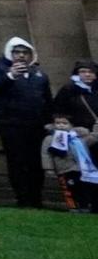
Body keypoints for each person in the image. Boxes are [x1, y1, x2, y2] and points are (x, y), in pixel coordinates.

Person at [0, 37, 53, 209]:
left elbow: (47, 99)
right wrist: (11, 75)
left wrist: (49, 121)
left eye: (25, 52)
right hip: (11, 124)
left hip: (36, 125)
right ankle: (23, 198)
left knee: (35, 163)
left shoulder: (39, 74)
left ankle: (36, 198)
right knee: (17, 162)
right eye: (17, 52)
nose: (21, 56)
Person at [51, 61, 98, 212]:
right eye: (83, 71)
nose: (87, 74)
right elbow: (58, 113)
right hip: (81, 138)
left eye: (90, 71)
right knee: (87, 170)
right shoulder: (68, 90)